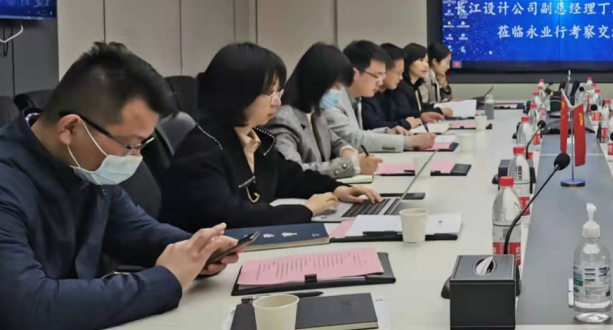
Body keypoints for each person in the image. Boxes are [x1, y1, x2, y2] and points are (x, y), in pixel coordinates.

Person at [0, 42, 239, 330]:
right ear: (70, 128)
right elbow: (28, 309)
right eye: (130, 145)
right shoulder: (8, 182)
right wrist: (164, 280)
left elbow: (135, 230)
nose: (136, 157)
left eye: (142, 145)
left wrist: (196, 249)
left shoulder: (82, 164)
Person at [159, 43, 380, 233]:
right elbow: (229, 215)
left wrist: (336, 188)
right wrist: (305, 210)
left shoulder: (253, 138)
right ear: (238, 92)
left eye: (279, 93)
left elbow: (288, 175)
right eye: (269, 93)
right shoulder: (203, 150)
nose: (277, 102)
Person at [265, 43, 379, 179]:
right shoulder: (284, 118)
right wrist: (351, 165)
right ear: (317, 81)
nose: (339, 93)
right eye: (336, 87)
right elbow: (293, 171)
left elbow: (336, 141)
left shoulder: (316, 113)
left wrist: (345, 150)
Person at [325, 40, 436, 152]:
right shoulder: (332, 102)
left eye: (382, 76)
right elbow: (354, 139)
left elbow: (359, 133)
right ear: (355, 74)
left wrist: (387, 132)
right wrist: (408, 142)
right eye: (377, 76)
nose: (380, 82)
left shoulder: (355, 98)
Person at [362, 44, 427, 131]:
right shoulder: (367, 94)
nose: (401, 78)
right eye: (398, 73)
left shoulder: (387, 92)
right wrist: (406, 124)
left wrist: (421, 115)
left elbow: (395, 113)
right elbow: (373, 125)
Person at [396, 43, 452, 120]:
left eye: (426, 61)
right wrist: (439, 110)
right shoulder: (401, 86)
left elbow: (420, 107)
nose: (426, 65)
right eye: (421, 60)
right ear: (409, 61)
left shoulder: (415, 85)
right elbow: (406, 114)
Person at [422, 41, 454, 105]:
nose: (448, 67)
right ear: (435, 62)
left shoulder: (438, 76)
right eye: (447, 63)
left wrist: (445, 86)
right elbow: (423, 106)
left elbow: (447, 101)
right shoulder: (425, 79)